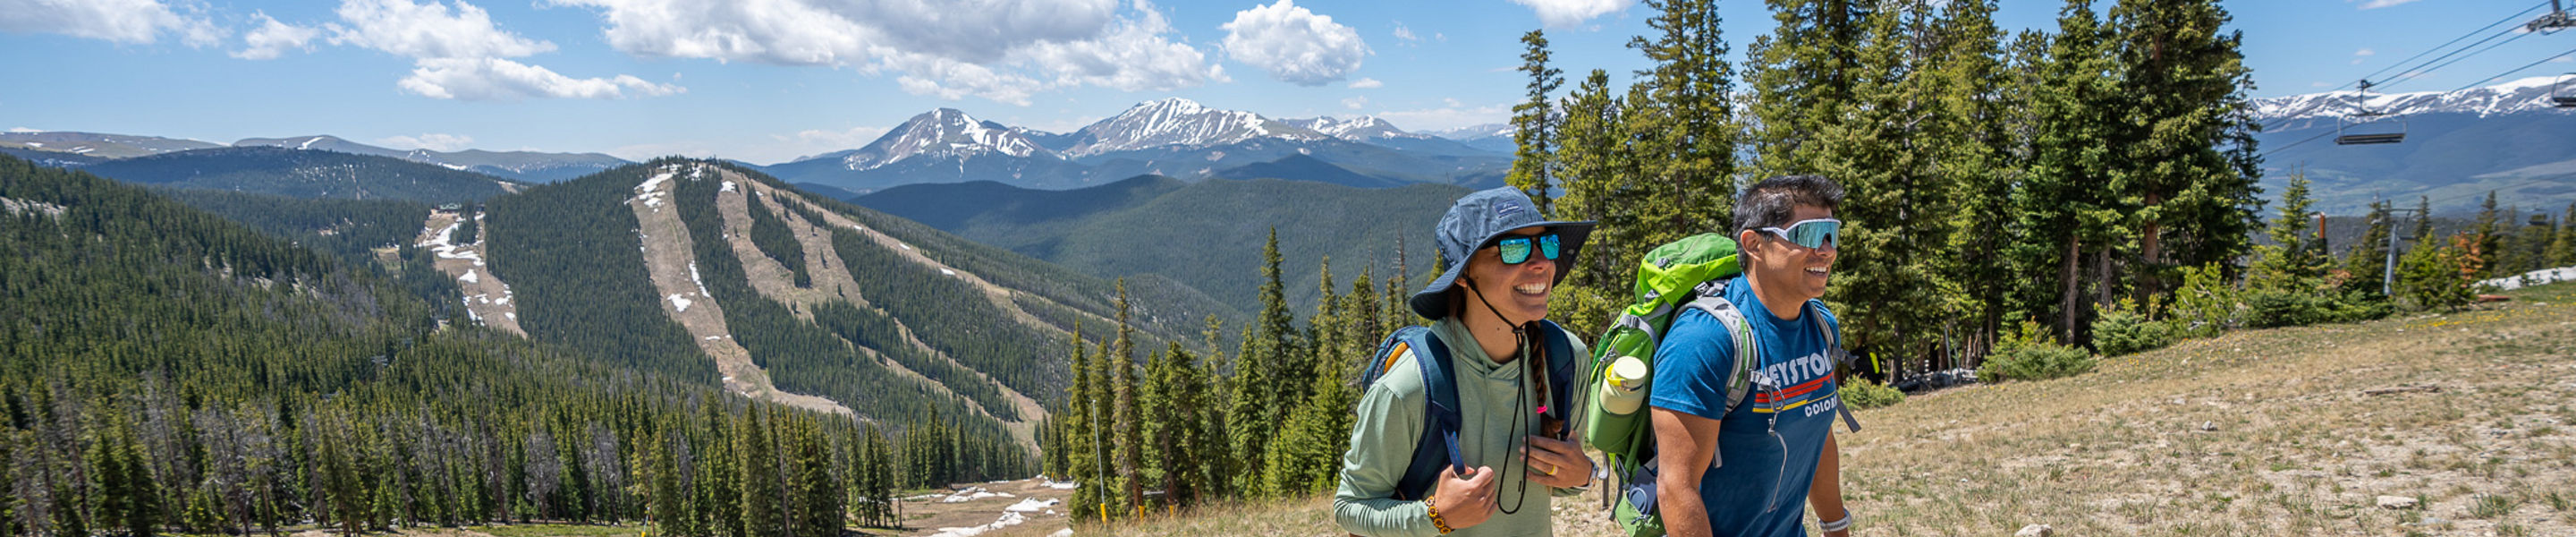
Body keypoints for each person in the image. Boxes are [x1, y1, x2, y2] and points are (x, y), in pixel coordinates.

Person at [1334, 187, 1598, 536]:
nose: (1541, 263)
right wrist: (1435, 515)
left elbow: (1558, 484)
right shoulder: (1410, 387)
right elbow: (1349, 508)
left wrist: (1585, 475)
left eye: (1547, 245)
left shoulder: (1567, 358)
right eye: (1513, 249)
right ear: (1463, 275)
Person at [1649, 175, 1853, 537]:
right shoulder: (1704, 340)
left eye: (1831, 234)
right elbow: (1676, 487)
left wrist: (1836, 527)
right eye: (1808, 235)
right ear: (1754, 244)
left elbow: (1816, 434)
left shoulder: (1821, 325)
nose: (1826, 250)